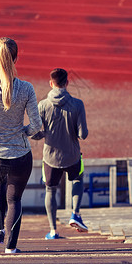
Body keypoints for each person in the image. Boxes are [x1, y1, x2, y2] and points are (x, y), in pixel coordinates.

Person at [0, 37, 42, 253]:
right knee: (14, 200)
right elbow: (36, 125)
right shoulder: (27, 89)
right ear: (16, 58)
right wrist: (23, 132)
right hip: (20, 157)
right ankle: (10, 247)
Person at [31, 68, 88, 240]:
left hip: (50, 157)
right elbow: (82, 135)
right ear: (67, 83)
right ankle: (75, 214)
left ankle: (53, 231)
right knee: (77, 179)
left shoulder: (41, 105)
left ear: (51, 83)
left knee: (50, 190)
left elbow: (34, 133)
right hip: (72, 155)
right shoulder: (78, 104)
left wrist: (45, 134)